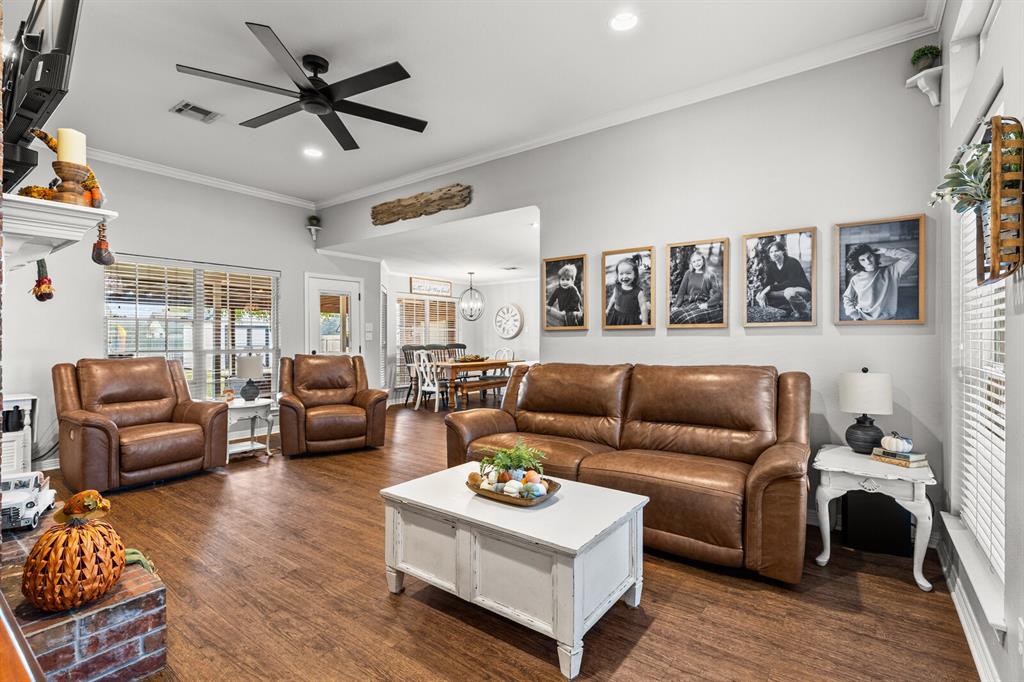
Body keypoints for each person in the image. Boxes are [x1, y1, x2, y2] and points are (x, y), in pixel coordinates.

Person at [842, 243, 917, 320]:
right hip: (862, 318)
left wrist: (886, 251)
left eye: (869, 257)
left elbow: (911, 256)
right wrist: (852, 312)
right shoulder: (855, 279)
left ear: (874, 256)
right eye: (862, 260)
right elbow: (847, 297)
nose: (868, 261)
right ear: (859, 263)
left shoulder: (891, 271)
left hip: (887, 320)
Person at [755, 240, 811, 319]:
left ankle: (804, 314)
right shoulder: (771, 266)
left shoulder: (792, 262)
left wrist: (770, 287)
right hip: (785, 291)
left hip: (803, 291)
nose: (773, 254)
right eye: (771, 252)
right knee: (765, 294)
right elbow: (768, 283)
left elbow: (792, 282)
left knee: (789, 292)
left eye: (776, 251)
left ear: (783, 251)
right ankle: (789, 309)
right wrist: (761, 293)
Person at [670, 250, 723, 324]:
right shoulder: (688, 273)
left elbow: (718, 293)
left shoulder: (710, 275)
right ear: (691, 263)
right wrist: (676, 305)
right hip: (689, 302)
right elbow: (681, 291)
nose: (696, 263)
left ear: (703, 260)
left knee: (687, 319)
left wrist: (707, 304)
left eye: (699, 260)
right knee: (673, 315)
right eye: (694, 261)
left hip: (702, 303)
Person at [606, 257, 648, 326]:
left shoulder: (638, 292)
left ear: (635, 274)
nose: (624, 276)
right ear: (617, 275)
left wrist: (645, 321)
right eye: (621, 274)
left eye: (628, 273)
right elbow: (613, 299)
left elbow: (643, 307)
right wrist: (607, 310)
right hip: (616, 316)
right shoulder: (617, 287)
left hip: (631, 319)